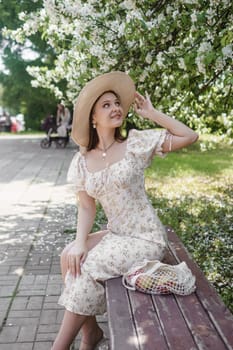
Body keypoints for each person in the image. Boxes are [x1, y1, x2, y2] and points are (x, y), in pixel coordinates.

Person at [52, 71, 198, 350]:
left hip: (145, 238)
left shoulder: (135, 144)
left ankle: (59, 346)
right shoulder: (82, 160)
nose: (116, 108)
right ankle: (91, 334)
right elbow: (86, 206)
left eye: (117, 103)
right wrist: (81, 242)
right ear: (93, 118)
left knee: (89, 265)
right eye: (106, 105)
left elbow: (189, 136)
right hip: (116, 233)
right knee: (67, 256)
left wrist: (153, 113)